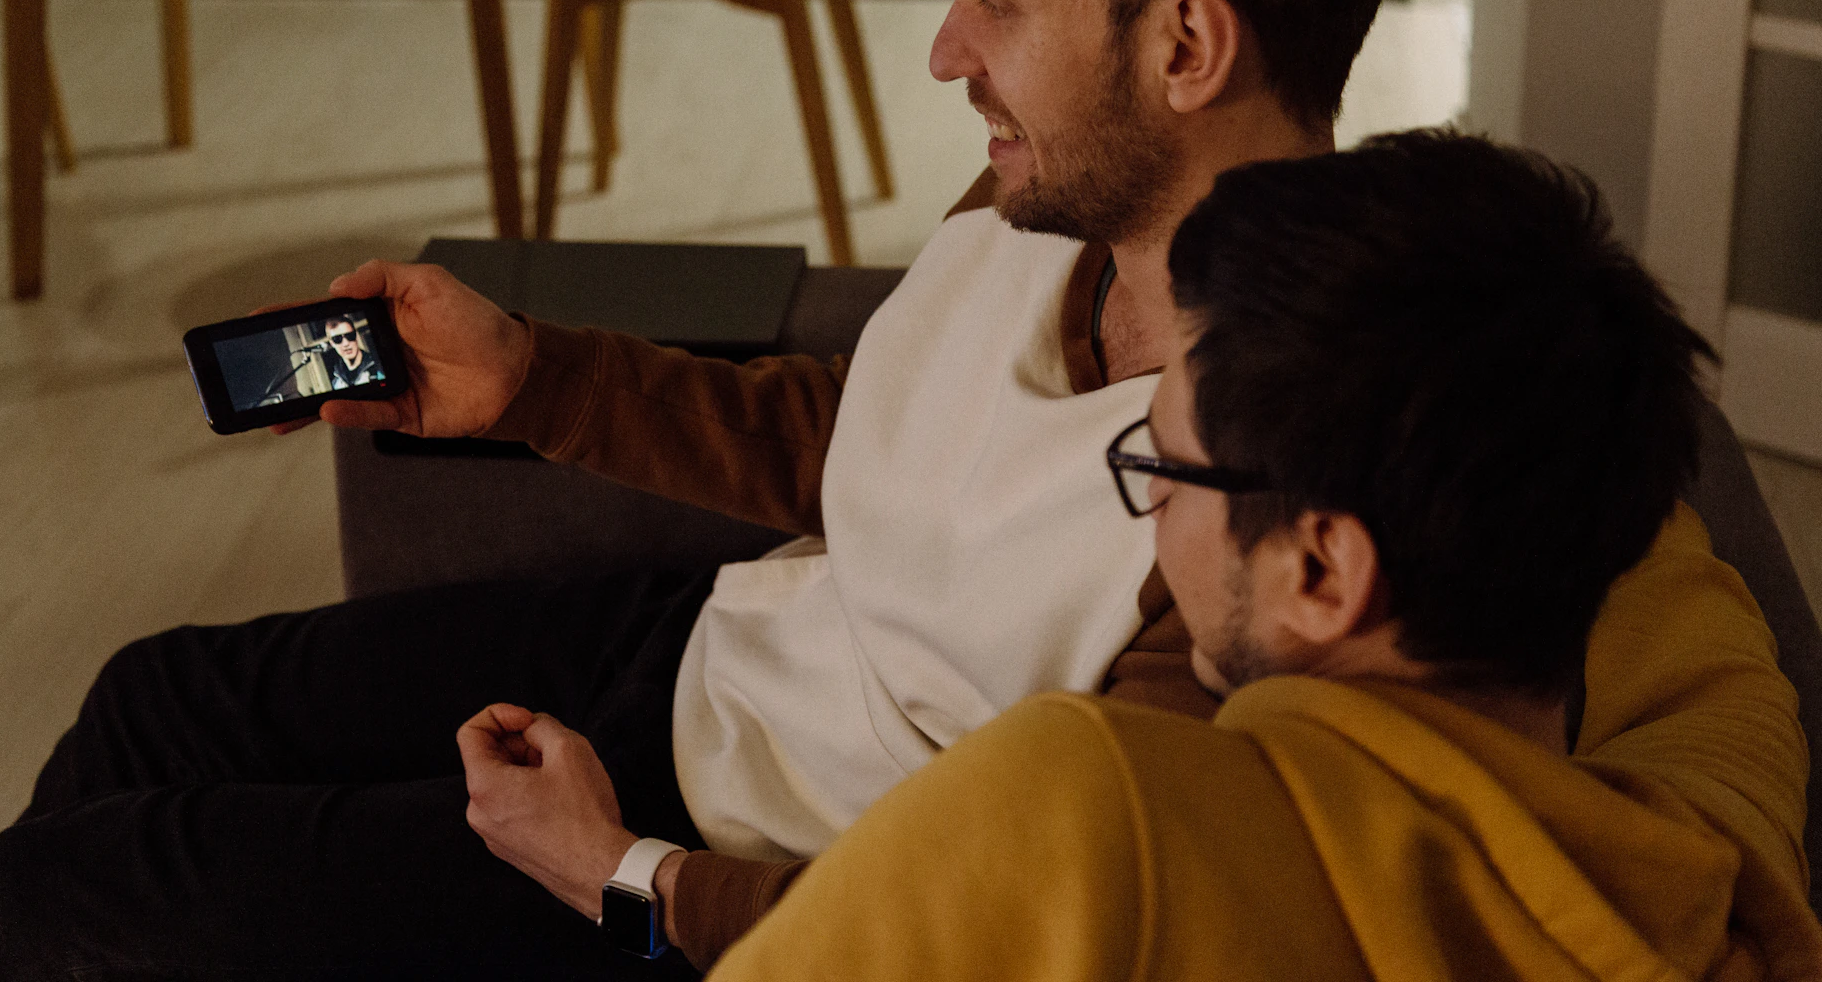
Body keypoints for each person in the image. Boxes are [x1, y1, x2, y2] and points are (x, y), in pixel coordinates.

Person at [0, 0, 1797, 978]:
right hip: (733, 650)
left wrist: (626, 872)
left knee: (67, 901)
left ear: (1189, 45)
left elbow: (959, 932)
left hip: (751, 854)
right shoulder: (1036, 195)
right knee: (156, 696)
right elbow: (872, 437)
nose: (942, 45)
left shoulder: (1275, 498)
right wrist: (530, 383)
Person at [707, 130, 1822, 980]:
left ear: (1324, 573)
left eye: (1165, 466)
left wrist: (613, 870)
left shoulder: (1092, 810)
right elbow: (1663, 557)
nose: (1150, 514)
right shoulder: (1720, 822)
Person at [321, 314, 382, 389]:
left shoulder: (379, 368)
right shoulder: (336, 383)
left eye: (350, 336)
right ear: (332, 343)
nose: (346, 343)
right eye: (337, 339)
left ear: (356, 336)